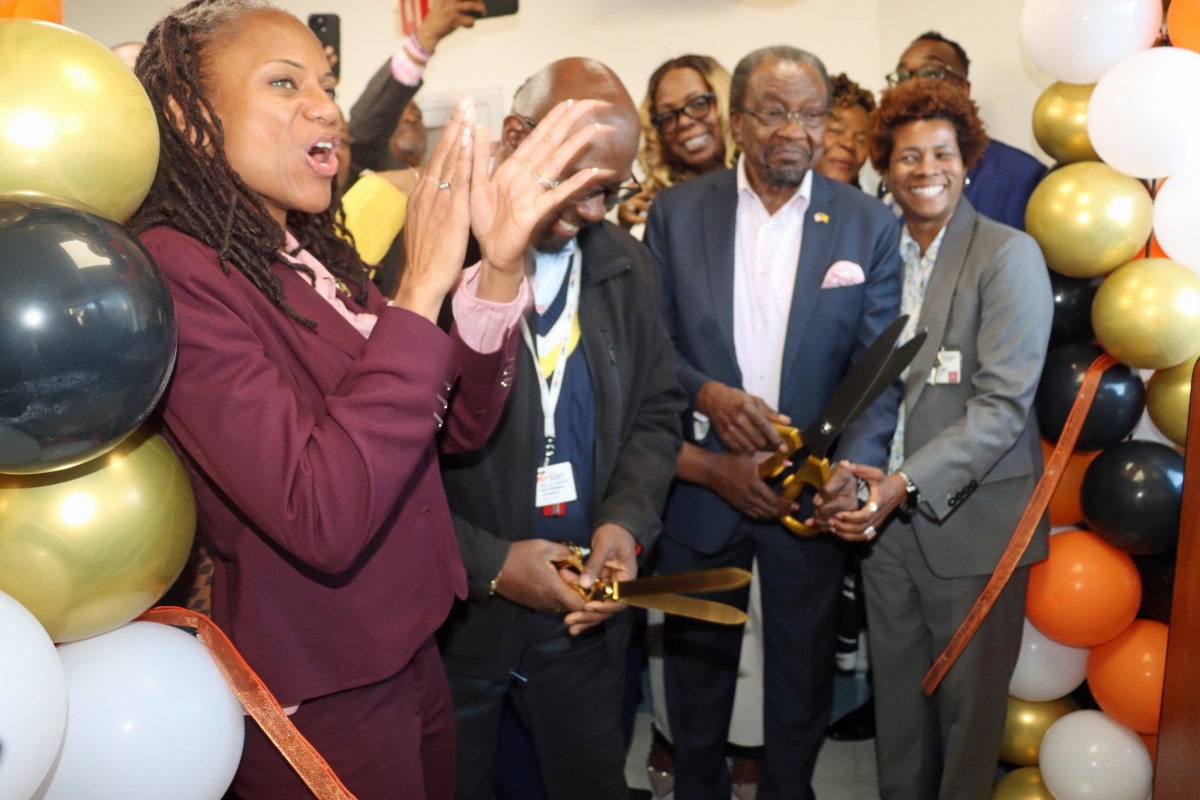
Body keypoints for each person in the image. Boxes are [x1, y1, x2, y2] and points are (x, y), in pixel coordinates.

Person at [129, 1, 604, 796]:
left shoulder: (308, 253)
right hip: (320, 679)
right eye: (286, 83)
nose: (325, 106)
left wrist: (498, 268)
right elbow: (320, 511)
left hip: (410, 639)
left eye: (325, 83)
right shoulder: (177, 269)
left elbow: (455, 427)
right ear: (187, 115)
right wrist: (419, 287)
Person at [646, 45, 903, 800]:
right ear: (736, 122)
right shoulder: (676, 212)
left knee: (801, 679)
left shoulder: (864, 225)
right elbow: (653, 344)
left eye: (812, 113)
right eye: (774, 110)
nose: (795, 129)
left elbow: (873, 374)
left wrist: (849, 472)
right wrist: (708, 396)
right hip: (700, 486)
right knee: (694, 680)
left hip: (809, 496)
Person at [437, 57, 686, 800]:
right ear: (518, 137)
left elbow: (656, 412)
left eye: (614, 188)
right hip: (456, 624)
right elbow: (388, 456)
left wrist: (627, 525)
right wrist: (488, 562)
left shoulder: (627, 266)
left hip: (581, 615)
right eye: (581, 184)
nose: (598, 209)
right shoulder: (429, 261)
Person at [817, 78, 1053, 800]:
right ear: (884, 168)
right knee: (900, 718)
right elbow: (859, 379)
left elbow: (1002, 407)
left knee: (967, 726)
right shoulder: (877, 253)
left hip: (972, 529)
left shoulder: (1007, 257)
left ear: (968, 160)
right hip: (883, 533)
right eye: (908, 156)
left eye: (942, 153)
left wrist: (902, 484)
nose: (927, 169)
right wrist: (852, 474)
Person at [885, 31, 1046, 230]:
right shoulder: (893, 175)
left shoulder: (1021, 175)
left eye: (932, 73)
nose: (913, 84)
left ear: (963, 88)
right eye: (903, 76)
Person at [617, 54, 736, 230]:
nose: (683, 122)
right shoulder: (653, 202)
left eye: (698, 103)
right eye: (667, 116)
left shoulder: (765, 181)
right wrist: (625, 231)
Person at [815, 72, 875, 188]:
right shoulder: (777, 200)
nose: (849, 144)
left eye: (861, 140)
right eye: (836, 131)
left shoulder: (869, 206)